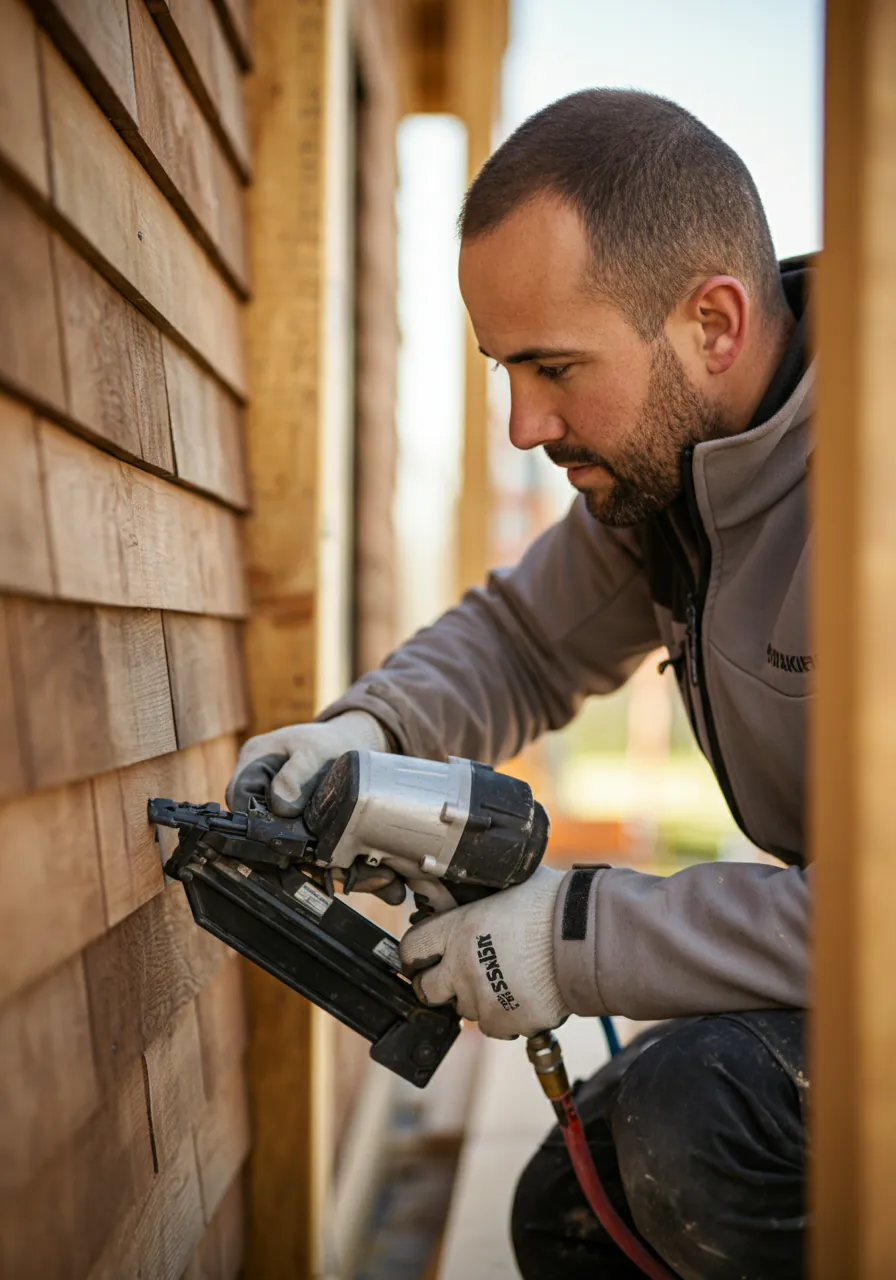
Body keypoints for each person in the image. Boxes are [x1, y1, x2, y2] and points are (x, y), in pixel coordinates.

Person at [227, 90, 811, 1279]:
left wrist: (571, 934)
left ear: (711, 321)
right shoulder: (674, 480)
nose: (518, 423)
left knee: (696, 1130)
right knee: (573, 1205)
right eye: (503, 368)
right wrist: (360, 731)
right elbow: (521, 641)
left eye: (552, 367)